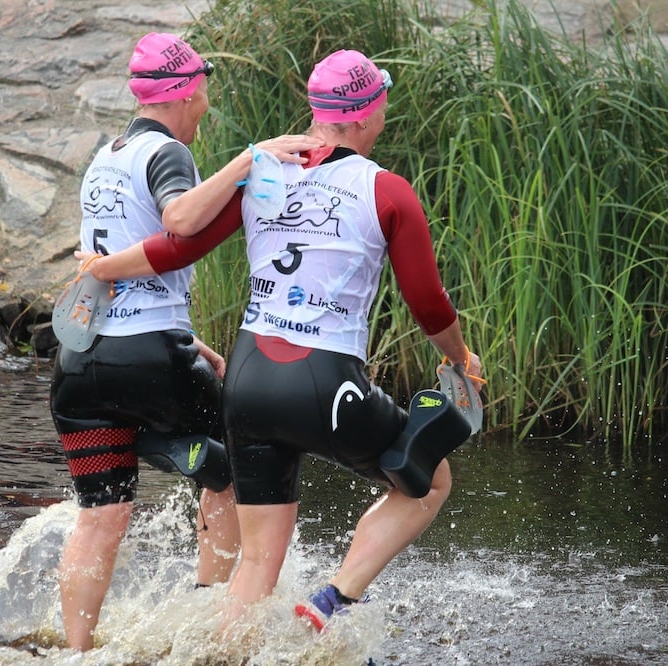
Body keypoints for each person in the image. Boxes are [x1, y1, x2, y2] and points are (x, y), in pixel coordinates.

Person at [75, 48, 483, 632]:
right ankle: (334, 599)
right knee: (429, 478)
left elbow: (177, 246)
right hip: (325, 382)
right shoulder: (387, 191)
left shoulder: (261, 171)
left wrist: (101, 268)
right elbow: (428, 302)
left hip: (247, 382)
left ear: (319, 111)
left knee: (258, 563)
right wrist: (460, 359)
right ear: (369, 112)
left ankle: (219, 652)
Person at [49, 31, 321, 651]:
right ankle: (209, 626)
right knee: (231, 464)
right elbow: (179, 220)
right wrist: (250, 159)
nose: (204, 107)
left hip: (82, 364)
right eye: (203, 93)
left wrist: (187, 337)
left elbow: (120, 256)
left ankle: (77, 654)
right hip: (148, 358)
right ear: (187, 91)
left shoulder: (105, 156)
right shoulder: (167, 153)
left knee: (102, 516)